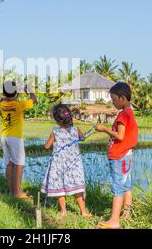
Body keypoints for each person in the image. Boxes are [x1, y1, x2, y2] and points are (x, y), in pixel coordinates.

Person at [94, 82, 138, 229]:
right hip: (127, 154)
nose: (113, 103)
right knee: (126, 186)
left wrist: (104, 129)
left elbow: (120, 136)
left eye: (113, 100)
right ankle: (127, 214)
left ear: (122, 98)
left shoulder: (123, 115)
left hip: (119, 156)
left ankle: (114, 221)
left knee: (117, 187)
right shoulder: (130, 113)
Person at [40, 104, 91, 217]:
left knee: (60, 189)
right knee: (77, 188)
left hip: (59, 165)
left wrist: (48, 142)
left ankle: (63, 211)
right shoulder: (75, 129)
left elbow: (47, 146)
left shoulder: (55, 132)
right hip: (74, 164)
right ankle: (83, 212)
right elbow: (82, 138)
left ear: (57, 120)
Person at [0, 80, 37, 199]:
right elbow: (34, 100)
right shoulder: (19, 105)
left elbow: (6, 99)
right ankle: (18, 193)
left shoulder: (2, 104)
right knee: (19, 164)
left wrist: (15, 93)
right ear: (15, 93)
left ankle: (12, 191)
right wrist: (29, 89)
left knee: (9, 164)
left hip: (4, 136)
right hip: (15, 138)